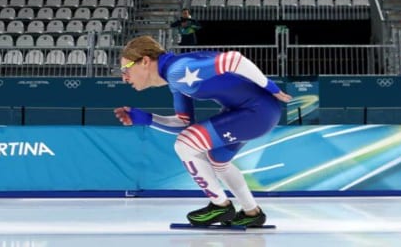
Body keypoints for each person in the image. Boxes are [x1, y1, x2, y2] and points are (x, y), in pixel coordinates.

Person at [114, 35, 292, 228]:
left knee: (185, 143)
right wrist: (148, 119)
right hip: (253, 112)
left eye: (126, 69)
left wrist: (271, 87)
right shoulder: (175, 78)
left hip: (256, 111)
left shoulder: (177, 71)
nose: (124, 77)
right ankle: (252, 212)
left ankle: (220, 206)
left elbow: (234, 59)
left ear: (145, 61)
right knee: (218, 160)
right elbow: (184, 123)